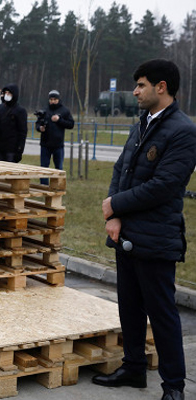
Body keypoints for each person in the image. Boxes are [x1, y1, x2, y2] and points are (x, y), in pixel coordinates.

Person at [93, 59, 196, 400]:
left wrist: (116, 206)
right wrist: (114, 215)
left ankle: (174, 387)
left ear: (161, 87)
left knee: (162, 314)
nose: (135, 91)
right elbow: (122, 170)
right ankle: (134, 368)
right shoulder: (142, 124)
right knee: (130, 307)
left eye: (140, 85)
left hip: (156, 237)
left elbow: (165, 185)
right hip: (127, 235)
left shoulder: (182, 130)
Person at [35, 89, 74, 183]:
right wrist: (40, 128)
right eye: (51, 99)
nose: (53, 101)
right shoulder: (44, 110)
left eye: (55, 99)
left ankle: (58, 186)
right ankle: (44, 187)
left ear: (58, 99)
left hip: (58, 145)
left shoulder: (64, 111)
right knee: (44, 168)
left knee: (59, 168)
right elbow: (37, 124)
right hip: (45, 144)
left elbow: (71, 124)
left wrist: (59, 120)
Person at [0, 84, 28, 162]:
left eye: (9, 93)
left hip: (11, 149)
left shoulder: (20, 111)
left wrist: (20, 150)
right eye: (6, 93)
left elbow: (22, 132)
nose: (7, 95)